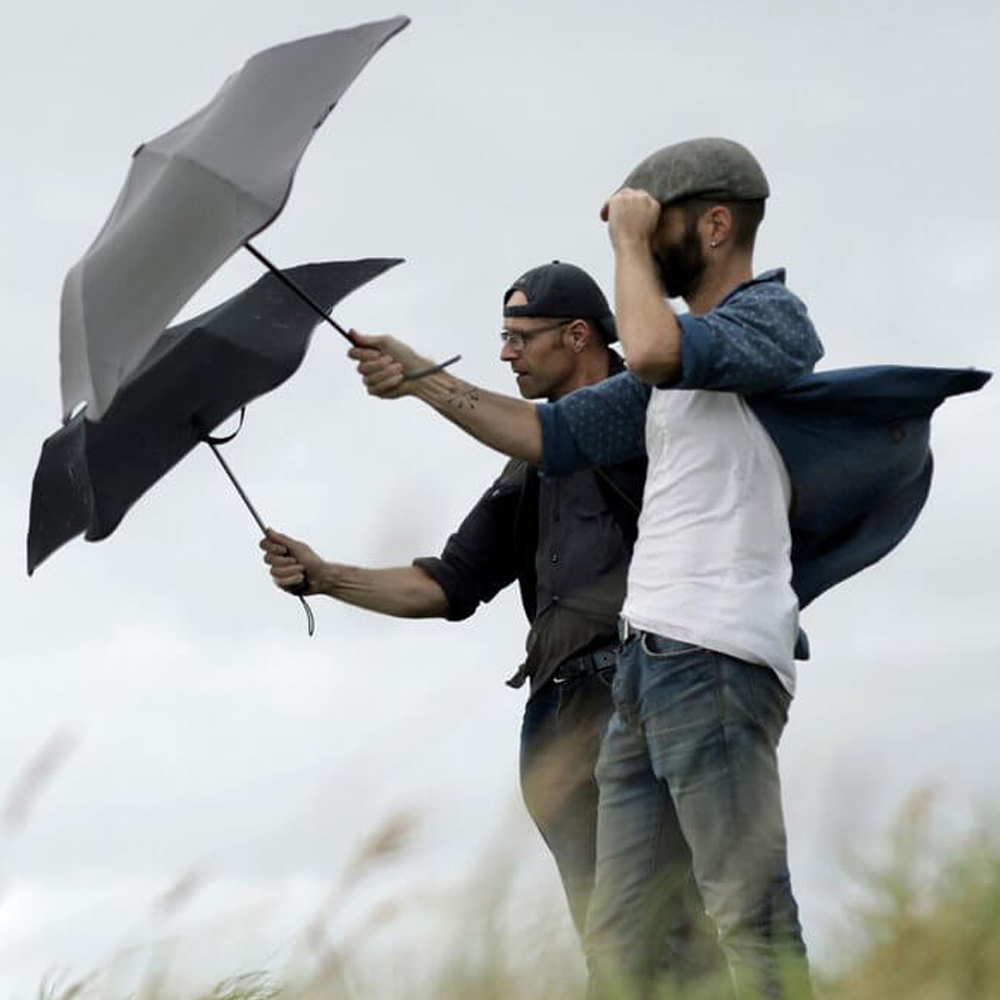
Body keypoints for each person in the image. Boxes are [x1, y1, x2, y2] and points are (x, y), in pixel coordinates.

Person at [345, 136, 990, 998]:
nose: (641, 241)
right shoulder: (665, 375)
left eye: (659, 223)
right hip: (648, 670)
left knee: (744, 913)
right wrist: (419, 377)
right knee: (619, 939)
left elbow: (647, 347)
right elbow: (548, 435)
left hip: (717, 655)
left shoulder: (770, 321)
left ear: (716, 224)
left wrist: (622, 244)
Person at [261, 261, 721, 981]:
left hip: (640, 693)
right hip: (554, 715)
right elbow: (446, 585)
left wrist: (417, 375)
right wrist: (325, 577)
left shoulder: (648, 406)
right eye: (501, 337)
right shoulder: (527, 465)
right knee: (608, 940)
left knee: (663, 926)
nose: (505, 353)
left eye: (518, 336)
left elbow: (551, 433)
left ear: (577, 335)